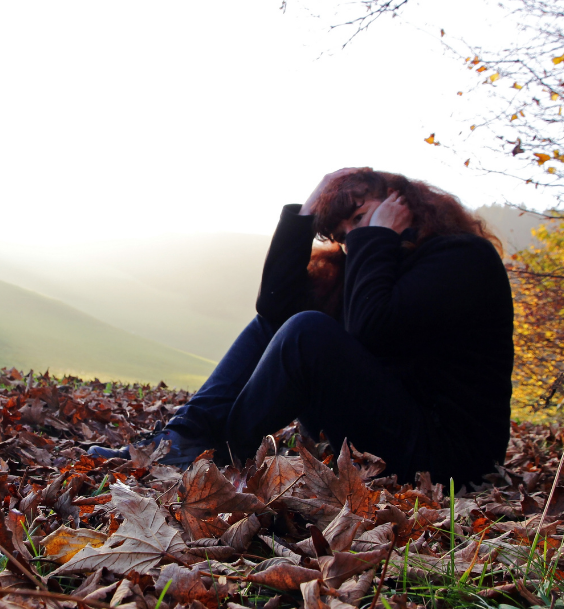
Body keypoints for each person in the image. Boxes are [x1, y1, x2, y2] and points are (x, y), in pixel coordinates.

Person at [91, 168, 514, 486]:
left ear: (399, 205)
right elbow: (274, 307)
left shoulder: (462, 257)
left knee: (307, 331)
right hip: (392, 428)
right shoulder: (372, 262)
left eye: (361, 217)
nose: (353, 238)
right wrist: (306, 212)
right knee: (275, 324)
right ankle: (182, 440)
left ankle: (215, 452)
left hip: (446, 454)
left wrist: (375, 239)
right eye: (342, 234)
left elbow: (374, 329)